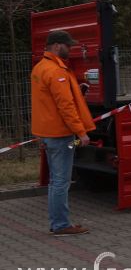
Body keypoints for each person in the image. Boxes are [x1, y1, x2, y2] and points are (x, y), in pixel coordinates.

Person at [31, 30, 95, 236]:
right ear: (57, 46)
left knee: (54, 181)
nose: (71, 49)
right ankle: (60, 225)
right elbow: (65, 106)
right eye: (68, 46)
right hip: (60, 134)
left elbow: (45, 103)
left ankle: (58, 222)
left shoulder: (40, 68)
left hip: (48, 132)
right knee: (61, 181)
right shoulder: (56, 71)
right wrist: (81, 132)